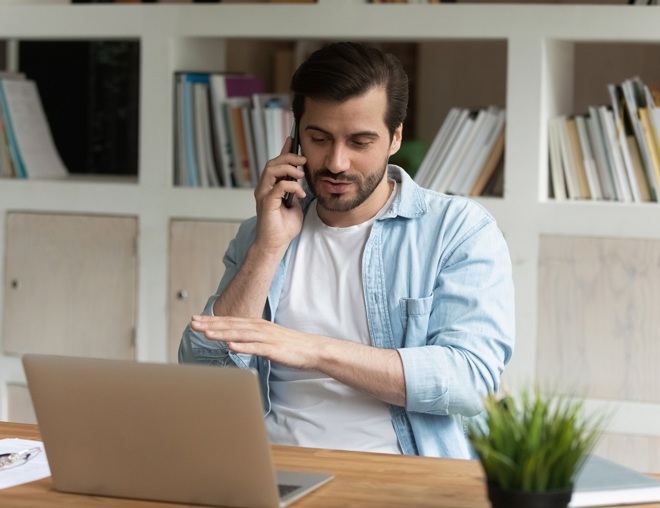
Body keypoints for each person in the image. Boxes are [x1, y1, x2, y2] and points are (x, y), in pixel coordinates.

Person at [179, 42, 515, 459]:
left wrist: (314, 350)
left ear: (395, 137)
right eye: (319, 138)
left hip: (396, 480)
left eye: (360, 142)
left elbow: (470, 380)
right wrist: (267, 249)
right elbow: (203, 375)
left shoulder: (457, 230)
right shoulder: (262, 234)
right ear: (295, 136)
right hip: (270, 473)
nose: (337, 162)